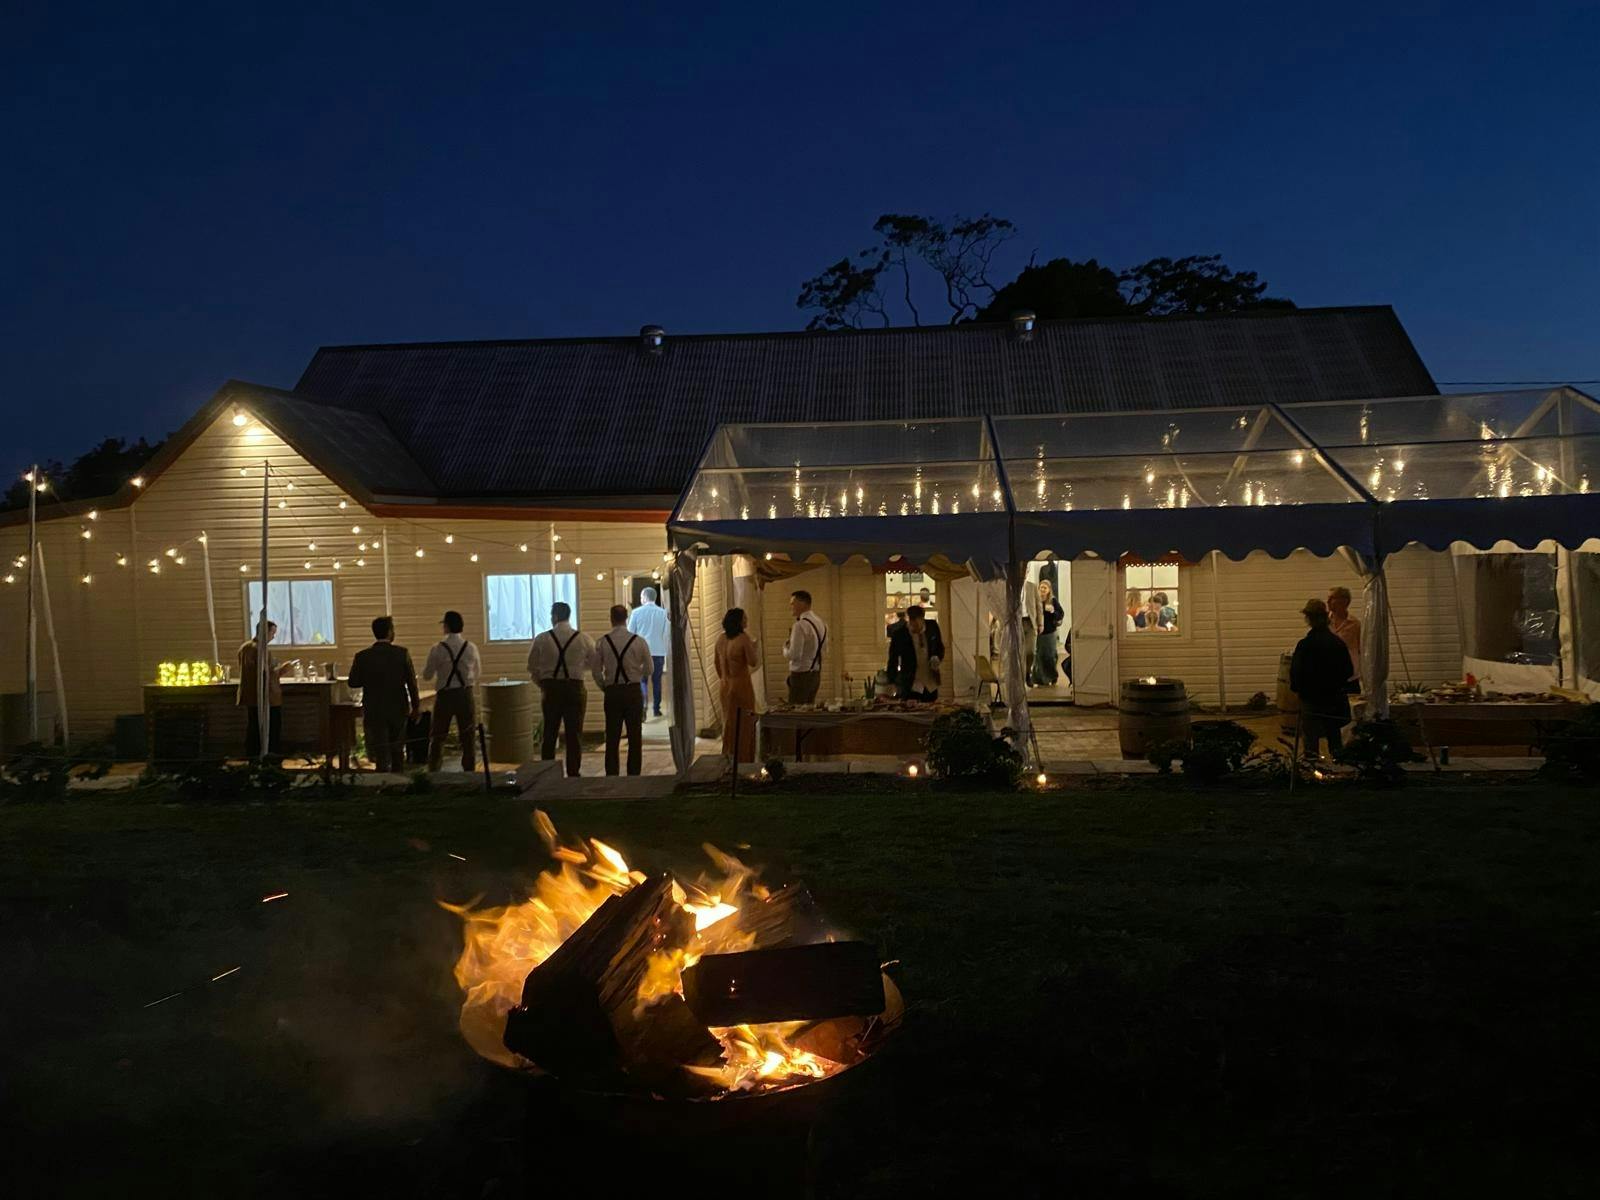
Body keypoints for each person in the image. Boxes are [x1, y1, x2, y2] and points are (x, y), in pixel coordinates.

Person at [347, 615, 421, 772]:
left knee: (380, 751)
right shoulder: (402, 653)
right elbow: (412, 683)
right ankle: (398, 781)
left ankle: (382, 781)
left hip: (374, 708)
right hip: (398, 707)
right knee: (397, 750)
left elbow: (353, 682)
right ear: (389, 632)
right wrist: (415, 707)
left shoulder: (362, 656)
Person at [530, 600, 594, 776]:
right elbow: (594, 662)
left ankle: (548, 772)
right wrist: (580, 669)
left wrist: (542, 683)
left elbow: (532, 666)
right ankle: (574, 772)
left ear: (555, 616)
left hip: (551, 688)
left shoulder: (542, 638)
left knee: (549, 732)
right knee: (574, 734)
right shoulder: (583, 638)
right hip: (575, 687)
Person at [590, 604, 652, 776]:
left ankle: (612, 774)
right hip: (632, 691)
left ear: (611, 618)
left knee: (612, 736)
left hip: (612, 692)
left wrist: (605, 686)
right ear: (626, 618)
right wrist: (637, 675)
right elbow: (650, 668)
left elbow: (596, 671)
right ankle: (633, 774)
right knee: (634, 736)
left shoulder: (602, 642)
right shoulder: (638, 641)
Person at [1290, 598, 1356, 758]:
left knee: (1311, 740)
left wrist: (1299, 690)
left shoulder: (1305, 645)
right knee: (1334, 737)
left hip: (1311, 699)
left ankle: (1312, 770)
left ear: (1309, 619)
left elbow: (1296, 674)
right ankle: (1339, 768)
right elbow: (1348, 670)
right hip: (1333, 698)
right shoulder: (1337, 643)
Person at [423, 610, 481, 772]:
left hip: (445, 695)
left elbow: (427, 675)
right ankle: (469, 770)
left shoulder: (437, 649)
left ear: (446, 626)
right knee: (468, 736)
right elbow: (477, 673)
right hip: (464, 694)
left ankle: (434, 770)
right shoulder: (471, 647)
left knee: (438, 736)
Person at [236, 620, 289, 759]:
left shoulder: (245, 648)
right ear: (265, 632)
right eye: (272, 633)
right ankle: (271, 757)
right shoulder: (260, 650)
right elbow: (265, 674)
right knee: (271, 729)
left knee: (253, 727)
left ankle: (252, 756)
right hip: (267, 696)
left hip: (250, 695)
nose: (273, 636)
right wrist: (282, 670)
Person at [714, 607, 760, 763]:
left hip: (725, 685)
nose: (747, 621)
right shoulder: (743, 639)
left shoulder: (721, 639)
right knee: (745, 724)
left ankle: (728, 755)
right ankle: (744, 759)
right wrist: (755, 647)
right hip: (741, 685)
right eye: (745, 618)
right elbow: (753, 661)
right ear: (739, 622)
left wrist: (724, 679)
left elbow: (717, 664)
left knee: (729, 723)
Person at [626, 586, 671, 719]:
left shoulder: (636, 612)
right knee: (657, 681)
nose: (640, 599)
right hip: (658, 651)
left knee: (642, 681)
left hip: (640, 653)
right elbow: (666, 633)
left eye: (641, 597)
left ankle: (643, 707)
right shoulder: (663, 613)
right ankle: (656, 709)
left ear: (645, 597)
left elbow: (630, 633)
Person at [886, 604, 945, 701]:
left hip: (931, 682)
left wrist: (937, 657)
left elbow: (939, 646)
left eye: (918, 625)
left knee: (932, 710)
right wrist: (892, 682)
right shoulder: (899, 635)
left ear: (923, 619)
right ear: (909, 620)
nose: (916, 628)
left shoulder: (932, 626)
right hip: (911, 682)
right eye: (913, 624)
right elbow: (893, 659)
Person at [783, 590, 827, 704]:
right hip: (815, 674)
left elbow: (794, 655)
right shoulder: (822, 623)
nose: (790, 606)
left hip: (800, 675)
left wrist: (785, 648)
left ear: (802, 603)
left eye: (793, 603)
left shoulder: (800, 625)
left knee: (796, 713)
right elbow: (824, 651)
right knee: (808, 711)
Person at [1327, 585, 1363, 688]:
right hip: (1328, 676)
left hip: (1349, 677)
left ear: (1344, 601)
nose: (1328, 601)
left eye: (1332, 598)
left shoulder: (1355, 624)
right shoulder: (1324, 622)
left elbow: (1361, 649)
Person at [1034, 579, 1064, 686]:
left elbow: (1060, 614)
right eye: (1041, 587)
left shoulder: (1053, 600)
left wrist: (1052, 611)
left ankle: (1052, 676)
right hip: (1039, 632)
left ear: (1049, 590)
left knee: (1051, 656)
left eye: (1045, 588)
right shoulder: (1035, 600)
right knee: (1039, 656)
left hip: (1050, 632)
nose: (1042, 589)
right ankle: (1041, 679)